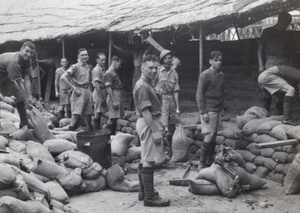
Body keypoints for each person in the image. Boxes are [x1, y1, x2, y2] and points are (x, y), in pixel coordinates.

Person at [134, 54, 170, 207]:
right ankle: (150, 198)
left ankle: (143, 192)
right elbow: (145, 112)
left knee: (144, 158)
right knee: (149, 160)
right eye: (150, 68)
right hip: (148, 123)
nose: (154, 70)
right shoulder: (142, 85)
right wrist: (155, 131)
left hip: (148, 123)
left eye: (156, 67)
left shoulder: (148, 84)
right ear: (142, 67)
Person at [257, 12, 292, 114]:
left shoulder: (286, 34)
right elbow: (260, 49)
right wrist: (260, 65)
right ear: (279, 20)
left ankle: (279, 116)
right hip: (271, 62)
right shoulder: (268, 31)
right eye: (285, 22)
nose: (286, 25)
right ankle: (264, 115)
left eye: (288, 24)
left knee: (282, 91)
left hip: (284, 63)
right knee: (267, 91)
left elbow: (289, 51)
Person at [196, 51, 224, 170]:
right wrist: (203, 111)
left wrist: (222, 109)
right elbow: (199, 94)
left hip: (218, 108)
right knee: (209, 134)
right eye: (216, 60)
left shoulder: (221, 75)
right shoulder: (205, 75)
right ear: (210, 61)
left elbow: (222, 93)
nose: (218, 62)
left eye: (220, 60)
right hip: (209, 109)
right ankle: (201, 162)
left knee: (215, 135)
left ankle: (209, 160)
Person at [0, 41, 36, 129]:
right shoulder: (13, 62)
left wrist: (30, 97)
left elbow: (27, 79)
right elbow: (20, 84)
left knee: (19, 95)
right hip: (2, 73)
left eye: (31, 53)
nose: (28, 54)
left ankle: (24, 122)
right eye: (27, 51)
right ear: (21, 49)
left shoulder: (28, 60)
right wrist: (26, 103)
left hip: (5, 75)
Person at [154, 49, 180, 157]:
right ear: (162, 60)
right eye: (166, 58)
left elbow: (176, 91)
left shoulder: (174, 73)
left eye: (170, 58)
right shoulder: (158, 71)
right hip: (161, 100)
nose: (168, 60)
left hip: (171, 101)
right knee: (161, 127)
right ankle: (158, 153)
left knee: (172, 127)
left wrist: (178, 107)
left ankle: (170, 150)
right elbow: (152, 86)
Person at [112, 35, 149, 110]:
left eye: (137, 41)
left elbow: (124, 50)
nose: (136, 43)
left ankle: (136, 107)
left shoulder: (137, 49)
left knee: (136, 88)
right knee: (136, 87)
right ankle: (133, 106)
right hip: (139, 69)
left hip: (139, 69)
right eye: (135, 41)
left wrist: (114, 45)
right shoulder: (141, 48)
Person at [61, 48, 93, 131]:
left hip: (87, 91)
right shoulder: (75, 66)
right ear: (78, 56)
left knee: (88, 116)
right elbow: (63, 77)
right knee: (75, 117)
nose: (84, 56)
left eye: (86, 54)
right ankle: (69, 136)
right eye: (82, 55)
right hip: (78, 93)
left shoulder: (87, 67)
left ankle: (90, 135)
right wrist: (74, 88)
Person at [104, 56, 124, 135]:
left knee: (115, 118)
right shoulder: (109, 73)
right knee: (112, 117)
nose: (120, 66)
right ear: (115, 62)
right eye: (119, 63)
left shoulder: (114, 72)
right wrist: (114, 100)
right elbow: (108, 88)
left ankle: (112, 135)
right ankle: (108, 136)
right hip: (113, 95)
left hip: (117, 94)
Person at [91, 52, 107, 130]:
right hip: (98, 93)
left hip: (102, 91)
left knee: (100, 112)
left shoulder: (102, 69)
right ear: (97, 60)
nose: (103, 62)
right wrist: (101, 97)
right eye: (102, 60)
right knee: (98, 113)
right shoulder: (97, 70)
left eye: (104, 60)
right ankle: (96, 131)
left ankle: (97, 130)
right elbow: (96, 84)